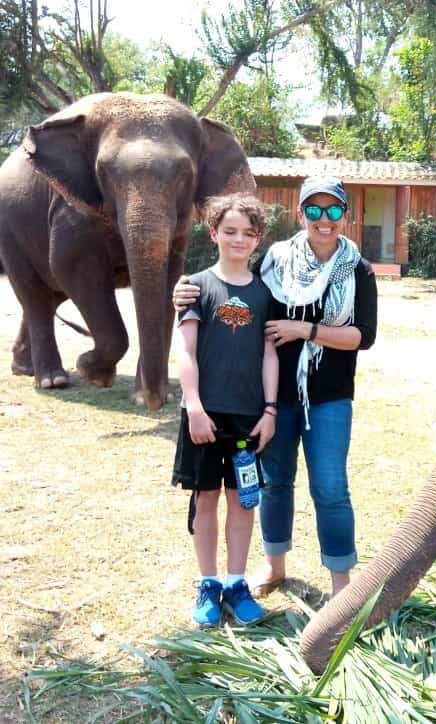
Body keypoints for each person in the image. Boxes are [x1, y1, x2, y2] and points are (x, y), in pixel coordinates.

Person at [174, 177, 378, 598]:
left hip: (329, 397)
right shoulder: (275, 260)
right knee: (275, 483)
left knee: (331, 487)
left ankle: (341, 581)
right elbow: (233, 282)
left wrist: (304, 329)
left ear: (346, 215)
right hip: (272, 398)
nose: (325, 220)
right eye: (315, 211)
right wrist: (183, 290)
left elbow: (363, 335)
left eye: (334, 211)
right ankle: (274, 564)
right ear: (301, 214)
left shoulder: (358, 270)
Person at [172, 193, 278, 627]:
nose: (238, 239)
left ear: (258, 239)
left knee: (243, 500)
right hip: (204, 416)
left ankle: (237, 583)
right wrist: (194, 406)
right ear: (213, 233)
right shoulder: (196, 287)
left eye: (247, 233)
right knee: (206, 498)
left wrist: (270, 411)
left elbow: (270, 354)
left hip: (249, 418)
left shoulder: (265, 294)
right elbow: (186, 351)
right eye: (229, 231)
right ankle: (209, 584)